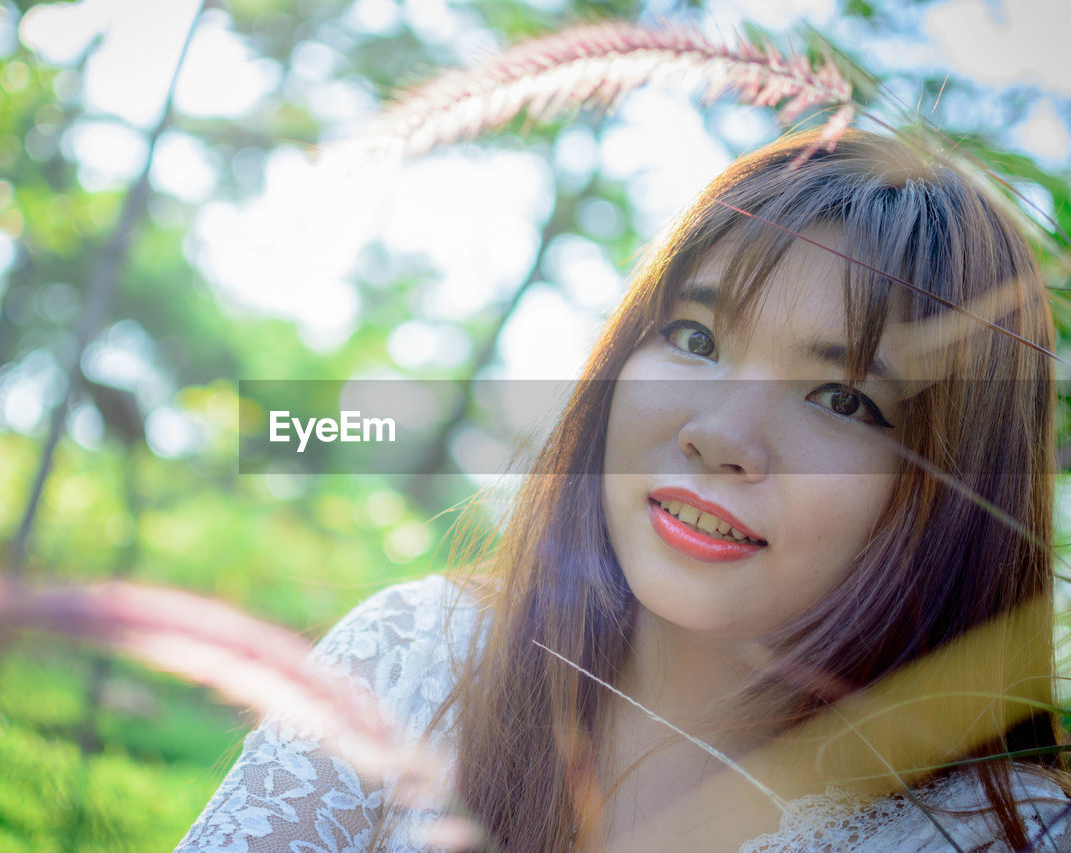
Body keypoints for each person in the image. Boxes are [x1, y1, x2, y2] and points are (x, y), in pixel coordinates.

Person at [177, 129, 1071, 852]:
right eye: (693, 336)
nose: (719, 434)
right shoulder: (413, 658)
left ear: (955, 496)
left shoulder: (988, 835)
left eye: (842, 399)